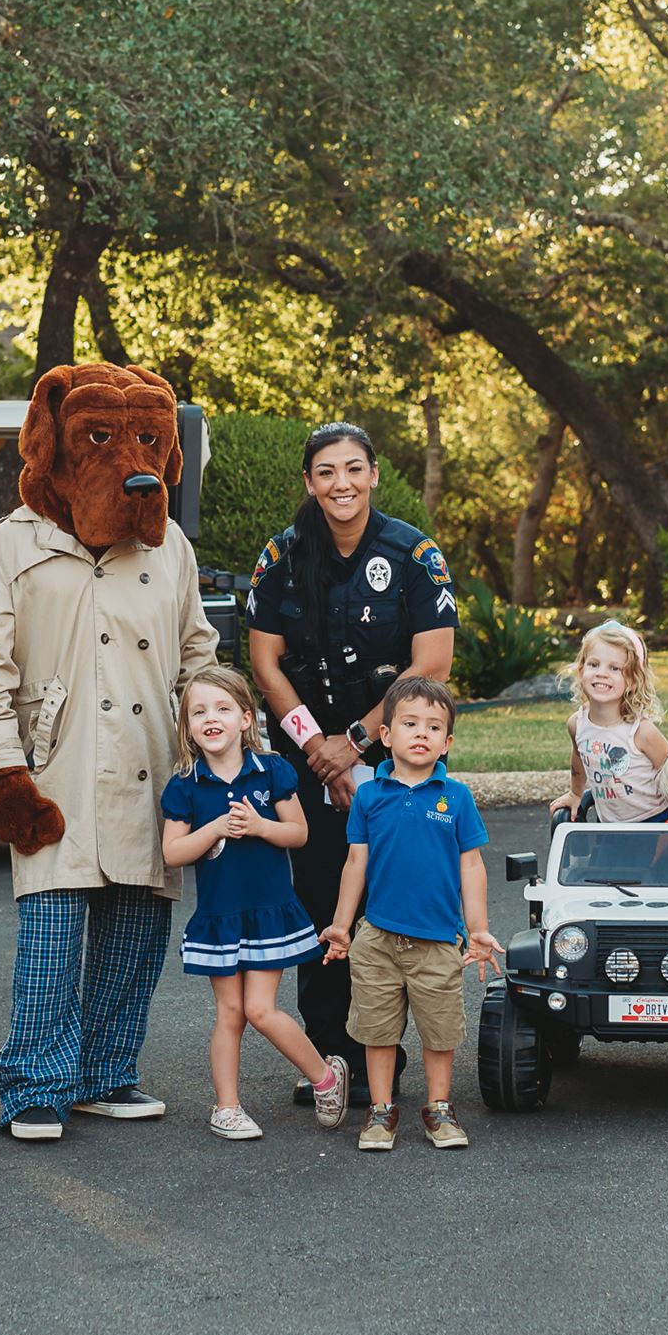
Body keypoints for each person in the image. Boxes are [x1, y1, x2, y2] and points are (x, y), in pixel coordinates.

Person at [0, 362, 219, 1141]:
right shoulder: (16, 542)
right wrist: (1, 766)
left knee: (137, 926)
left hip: (150, 760)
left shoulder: (168, 545)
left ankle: (108, 1071)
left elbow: (197, 652)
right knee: (53, 925)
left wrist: (219, 748)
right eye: (105, 439)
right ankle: (35, 1082)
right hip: (54, 762)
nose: (131, 461)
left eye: (147, 440)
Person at [247, 422, 456, 1102]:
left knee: (390, 902)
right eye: (327, 472)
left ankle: (385, 1059)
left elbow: (433, 663)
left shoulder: (413, 553)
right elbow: (266, 663)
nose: (342, 483)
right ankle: (331, 1059)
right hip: (306, 761)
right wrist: (318, 750)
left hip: (396, 762)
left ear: (373, 475)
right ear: (309, 482)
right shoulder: (281, 555)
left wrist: (358, 745)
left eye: (354, 469)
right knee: (319, 903)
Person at [160, 667, 350, 1140]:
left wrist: (261, 826)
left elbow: (299, 833)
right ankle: (226, 1107)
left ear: (246, 718)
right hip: (220, 917)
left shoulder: (272, 771)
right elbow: (172, 853)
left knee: (260, 1010)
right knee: (230, 1013)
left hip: (269, 913)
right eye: (199, 711)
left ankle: (326, 1077)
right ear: (186, 725)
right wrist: (215, 829)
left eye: (223, 709)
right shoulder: (185, 785)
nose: (211, 718)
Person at [320, 678, 504, 1152]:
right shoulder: (368, 796)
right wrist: (341, 926)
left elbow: (472, 865)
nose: (421, 733)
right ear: (386, 735)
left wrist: (479, 929)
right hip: (377, 936)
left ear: (447, 742)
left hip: (439, 939)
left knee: (439, 1031)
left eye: (434, 726)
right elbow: (355, 863)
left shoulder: (457, 797)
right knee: (378, 1029)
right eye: (409, 724)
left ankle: (439, 1107)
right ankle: (381, 1111)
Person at [550, 621, 668, 823]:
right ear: (581, 670)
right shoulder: (577, 724)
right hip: (609, 824)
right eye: (593, 664)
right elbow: (578, 756)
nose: (602, 673)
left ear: (632, 680)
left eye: (615, 668)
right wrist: (575, 793)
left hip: (654, 820)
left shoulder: (641, 732)